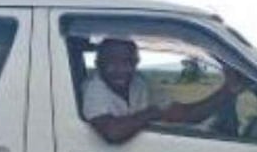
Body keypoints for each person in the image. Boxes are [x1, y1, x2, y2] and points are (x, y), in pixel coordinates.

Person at [82, 38, 248, 144]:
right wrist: (151, 114)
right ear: (98, 64)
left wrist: (228, 91)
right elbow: (112, 132)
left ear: (136, 63)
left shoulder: (138, 83)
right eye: (111, 63)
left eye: (127, 62)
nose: (121, 70)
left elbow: (185, 115)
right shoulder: (94, 89)